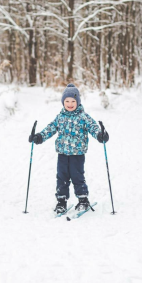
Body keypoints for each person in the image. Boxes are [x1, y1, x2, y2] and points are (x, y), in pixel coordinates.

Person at [28, 83, 109, 214]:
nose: (70, 104)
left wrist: (100, 135)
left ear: (78, 102)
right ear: (63, 102)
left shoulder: (83, 117)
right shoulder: (60, 117)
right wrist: (39, 137)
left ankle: (83, 200)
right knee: (61, 177)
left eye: (73, 101)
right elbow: (50, 128)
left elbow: (93, 127)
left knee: (77, 176)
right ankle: (61, 201)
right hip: (62, 153)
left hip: (78, 153)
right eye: (67, 101)